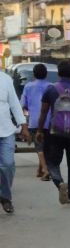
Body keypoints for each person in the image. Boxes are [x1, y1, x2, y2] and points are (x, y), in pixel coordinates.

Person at [36, 60, 70, 205]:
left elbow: (43, 113)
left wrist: (40, 130)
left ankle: (59, 183)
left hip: (55, 134)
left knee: (52, 162)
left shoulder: (50, 90)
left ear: (59, 73)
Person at [0, 69, 29, 214]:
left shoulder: (5, 79)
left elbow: (15, 104)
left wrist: (23, 125)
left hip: (6, 131)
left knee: (8, 164)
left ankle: (5, 196)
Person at [19, 63, 51, 181]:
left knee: (39, 147)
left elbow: (23, 104)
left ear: (34, 74)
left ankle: (46, 170)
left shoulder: (28, 86)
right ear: (46, 74)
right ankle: (41, 170)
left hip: (34, 122)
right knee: (45, 146)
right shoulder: (51, 86)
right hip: (49, 122)